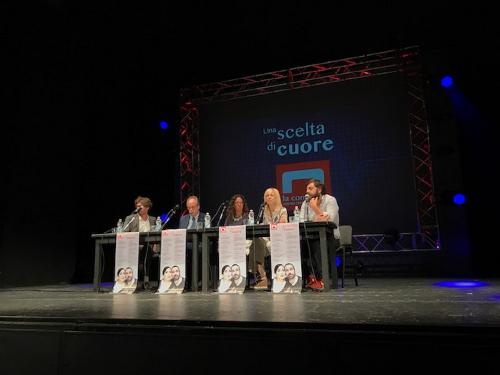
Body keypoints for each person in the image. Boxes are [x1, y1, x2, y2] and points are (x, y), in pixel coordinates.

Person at [299, 179, 340, 291]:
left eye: (310, 188)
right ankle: (309, 279)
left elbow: (329, 220)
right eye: (307, 189)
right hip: (311, 237)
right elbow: (302, 220)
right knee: (299, 246)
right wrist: (317, 217)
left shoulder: (330, 200)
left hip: (330, 237)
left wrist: (315, 208)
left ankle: (322, 280)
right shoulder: (305, 203)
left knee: (317, 244)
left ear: (319, 189)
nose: (307, 191)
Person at [248, 187, 288, 289]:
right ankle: (263, 277)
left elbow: (283, 224)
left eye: (271, 195)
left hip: (279, 239)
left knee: (257, 246)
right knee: (255, 242)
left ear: (276, 197)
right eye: (267, 195)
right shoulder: (264, 210)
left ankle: (263, 279)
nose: (269, 197)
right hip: (268, 238)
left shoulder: (282, 210)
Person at [123, 196, 158, 290]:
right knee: (146, 250)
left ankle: (144, 279)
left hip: (148, 248)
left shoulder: (153, 219)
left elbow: (157, 235)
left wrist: (155, 246)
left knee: (147, 248)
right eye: (137, 206)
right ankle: (144, 279)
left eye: (140, 207)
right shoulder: (131, 218)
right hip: (133, 247)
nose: (138, 209)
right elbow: (124, 233)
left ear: (147, 208)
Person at [178, 196, 206, 290]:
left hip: (199, 246)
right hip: (185, 247)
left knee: (197, 251)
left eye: (193, 207)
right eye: (189, 208)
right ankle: (183, 282)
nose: (190, 210)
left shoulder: (205, 217)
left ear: (198, 206)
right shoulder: (183, 219)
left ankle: (197, 281)